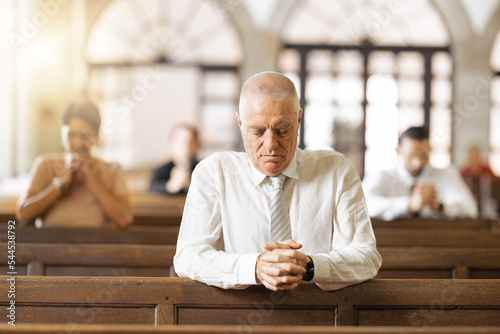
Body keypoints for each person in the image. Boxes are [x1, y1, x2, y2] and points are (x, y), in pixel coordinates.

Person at [174, 72, 382, 292]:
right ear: (240, 122)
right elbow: (187, 257)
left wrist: (309, 267)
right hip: (236, 318)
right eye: (258, 131)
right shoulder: (214, 173)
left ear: (299, 119)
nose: (271, 144)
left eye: (283, 130)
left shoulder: (336, 170)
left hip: (319, 317)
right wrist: (254, 267)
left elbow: (367, 258)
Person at [16, 100, 133, 229]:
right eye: (71, 135)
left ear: (97, 137)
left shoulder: (113, 170)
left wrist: (89, 179)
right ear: (62, 135)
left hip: (96, 247)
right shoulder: (44, 166)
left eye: (85, 135)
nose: (77, 143)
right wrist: (60, 185)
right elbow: (23, 214)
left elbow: (124, 219)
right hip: (49, 247)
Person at [362, 126, 478, 221]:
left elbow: (470, 209)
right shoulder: (382, 176)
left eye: (422, 156)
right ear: (399, 149)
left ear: (430, 149)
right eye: (411, 156)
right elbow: (363, 204)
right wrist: (408, 204)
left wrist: (440, 206)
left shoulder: (447, 175)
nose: (417, 163)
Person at [148, 124, 199, 195]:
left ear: (196, 144)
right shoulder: (161, 170)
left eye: (190, 141)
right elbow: (151, 189)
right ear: (172, 143)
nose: (187, 145)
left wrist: (190, 184)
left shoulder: (202, 168)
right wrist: (170, 186)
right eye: (182, 141)